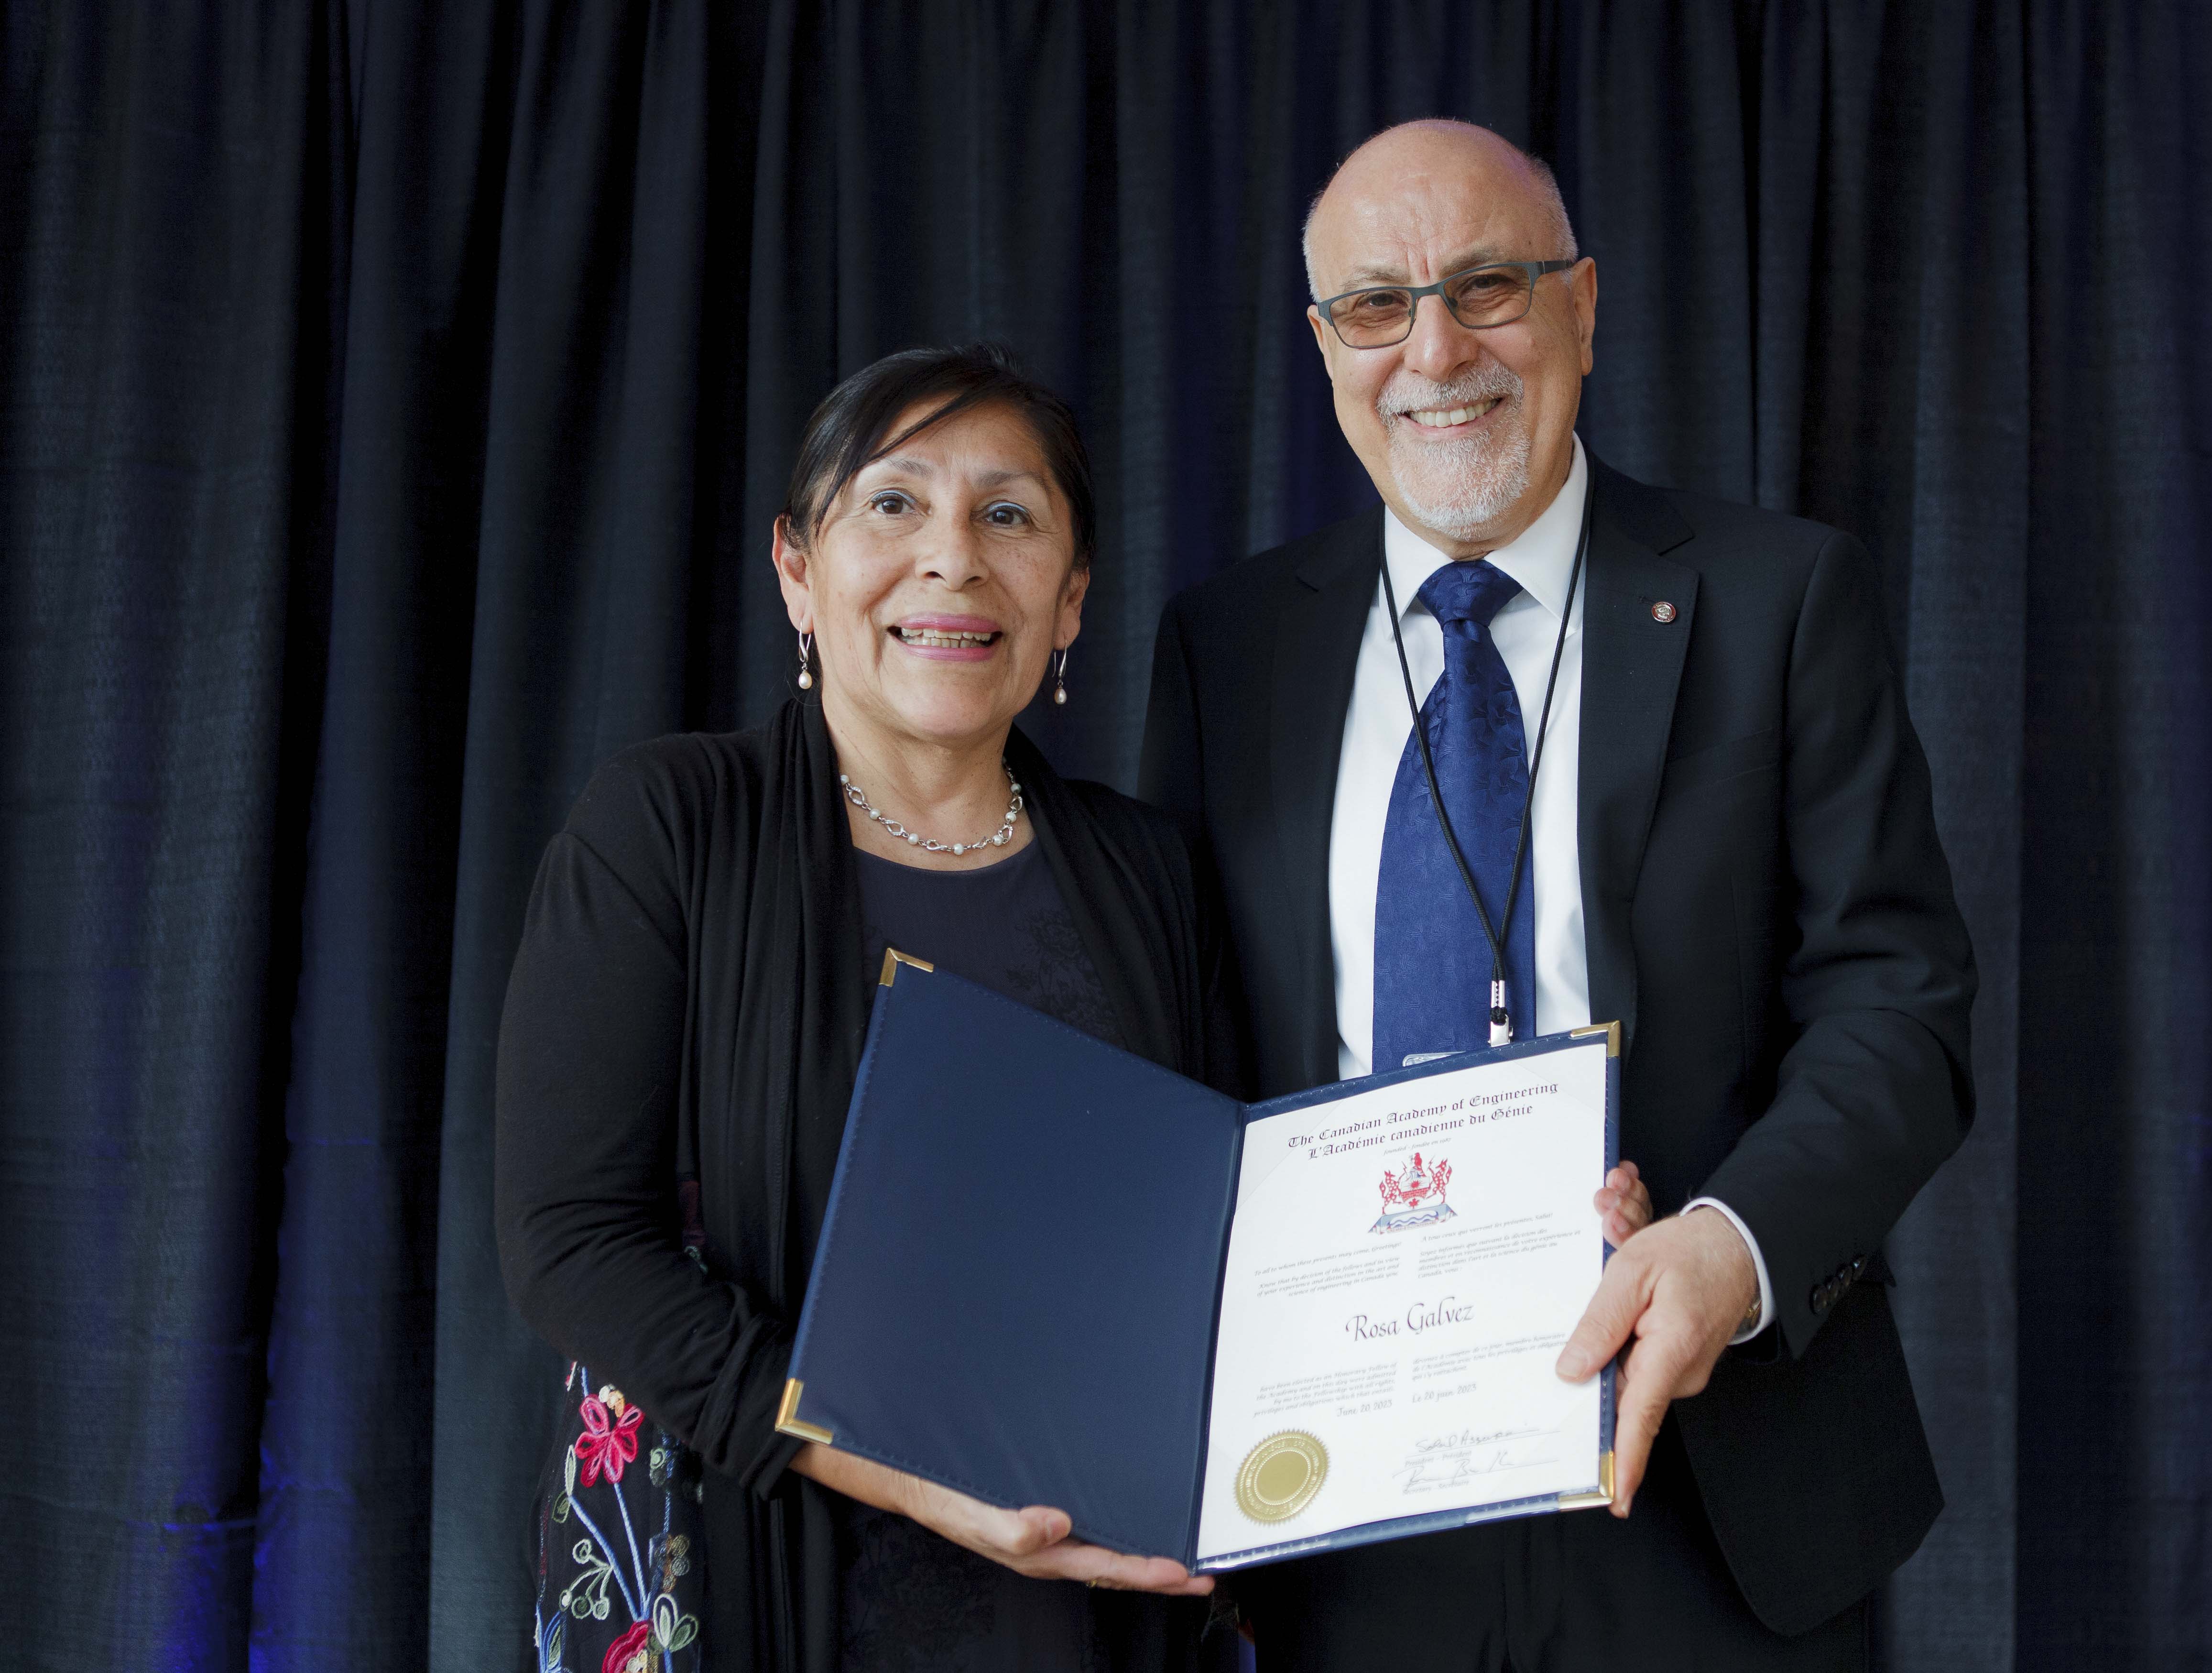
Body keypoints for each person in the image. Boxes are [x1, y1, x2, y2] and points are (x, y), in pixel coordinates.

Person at [1141, 120, 1977, 1669]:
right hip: (1342, 1512)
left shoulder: (1778, 597)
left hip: (1717, 1483)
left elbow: (1899, 1006)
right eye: (1376, 306)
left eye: (1486, 286)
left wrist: (1731, 1243)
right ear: (1324, 347)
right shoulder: (1229, 645)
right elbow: (1185, 1038)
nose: (1435, 349)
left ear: (1583, 309)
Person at [497, 345, 1240, 1673]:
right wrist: (912, 1471)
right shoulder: (670, 825)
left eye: (1008, 514)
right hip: (749, 1564)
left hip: (1084, 1602)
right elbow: (568, 1238)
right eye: (892, 504)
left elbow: (1223, 1225)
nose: (951, 558)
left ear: (1069, 601)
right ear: (797, 566)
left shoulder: (1154, 873)